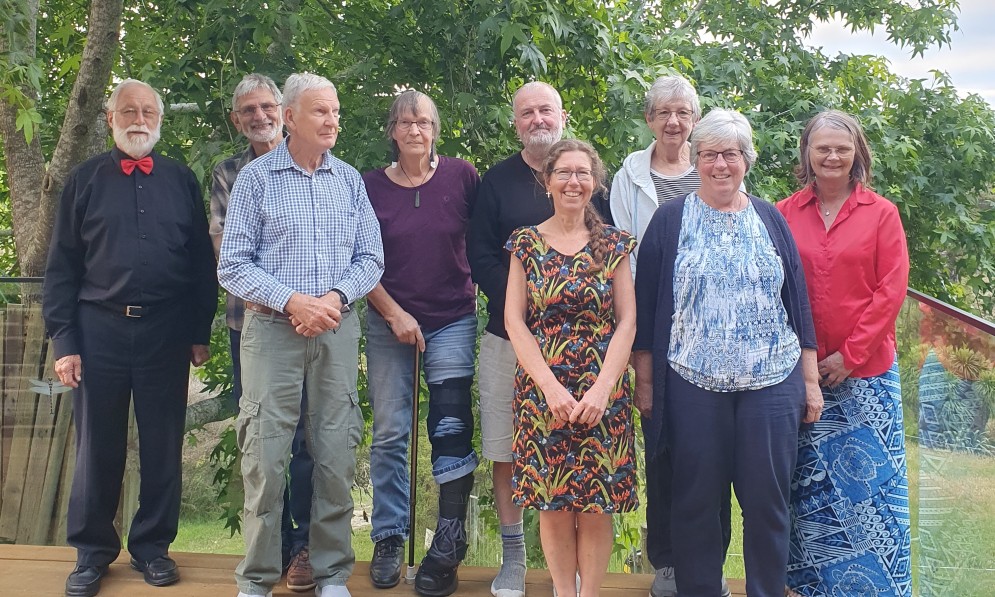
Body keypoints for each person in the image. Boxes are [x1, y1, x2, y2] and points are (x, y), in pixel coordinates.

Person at [632, 109, 822, 597]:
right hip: (692, 384)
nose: (720, 164)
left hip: (772, 383)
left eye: (731, 154)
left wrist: (809, 379)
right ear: (696, 160)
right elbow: (648, 303)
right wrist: (646, 383)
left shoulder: (770, 218)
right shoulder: (670, 221)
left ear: (746, 161)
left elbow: (796, 301)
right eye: (710, 154)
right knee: (695, 503)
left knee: (767, 503)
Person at [43, 79, 217, 597]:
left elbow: (198, 265)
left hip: (167, 331)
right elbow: (62, 268)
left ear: (159, 119)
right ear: (110, 117)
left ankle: (153, 548)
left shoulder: (182, 179)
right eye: (129, 111)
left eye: (148, 111)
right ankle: (93, 553)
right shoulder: (83, 180)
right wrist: (64, 342)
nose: (139, 119)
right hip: (99, 331)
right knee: (99, 446)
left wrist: (197, 330)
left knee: (164, 443)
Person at [218, 72, 384, 597]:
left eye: (335, 111)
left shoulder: (349, 180)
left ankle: (333, 573)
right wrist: (292, 301)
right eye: (320, 112)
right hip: (271, 333)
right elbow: (232, 265)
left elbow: (371, 258)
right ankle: (257, 580)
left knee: (335, 452)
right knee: (265, 456)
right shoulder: (256, 180)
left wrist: (333, 299)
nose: (332, 120)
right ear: (290, 118)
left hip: (335, 332)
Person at [467, 81, 611, 597]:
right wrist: (526, 299)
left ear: (563, 113)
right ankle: (513, 555)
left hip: (587, 352)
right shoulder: (496, 182)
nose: (537, 119)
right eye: (526, 113)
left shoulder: (591, 178)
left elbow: (610, 264)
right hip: (511, 336)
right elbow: (479, 252)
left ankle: (578, 584)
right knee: (509, 450)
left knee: (585, 470)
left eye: (545, 109)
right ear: (516, 123)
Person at [777, 110, 911, 597]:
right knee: (807, 494)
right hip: (798, 377)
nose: (832, 156)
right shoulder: (783, 213)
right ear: (806, 154)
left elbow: (890, 291)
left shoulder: (882, 213)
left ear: (857, 153)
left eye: (842, 148)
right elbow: (778, 291)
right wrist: (809, 362)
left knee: (868, 497)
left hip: (865, 376)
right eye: (822, 148)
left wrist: (850, 356)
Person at [609, 75, 731, 597]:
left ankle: (708, 563)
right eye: (664, 113)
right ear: (649, 119)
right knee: (659, 442)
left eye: (683, 112)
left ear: (696, 119)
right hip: (650, 323)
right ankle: (667, 562)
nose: (674, 122)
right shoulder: (629, 176)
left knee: (712, 450)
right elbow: (619, 254)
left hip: (712, 331)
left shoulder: (718, 167)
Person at [505, 139, 637, 597]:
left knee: (597, 505)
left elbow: (628, 322)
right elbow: (513, 321)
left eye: (583, 173)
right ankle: (564, 592)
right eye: (564, 172)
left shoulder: (614, 245)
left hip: (603, 393)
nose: (573, 182)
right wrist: (550, 388)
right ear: (547, 181)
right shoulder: (525, 242)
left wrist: (601, 390)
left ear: (595, 182)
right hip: (542, 394)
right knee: (553, 503)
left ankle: (590, 594)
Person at [362, 90, 480, 596]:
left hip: (452, 317)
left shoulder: (462, 176)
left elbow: (486, 237)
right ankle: (390, 534)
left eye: (424, 122)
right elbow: (357, 257)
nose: (415, 130)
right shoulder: (368, 186)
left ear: (436, 129)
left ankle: (449, 539)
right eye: (405, 122)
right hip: (389, 320)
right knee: (391, 431)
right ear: (392, 131)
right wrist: (394, 313)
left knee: (450, 427)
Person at [209, 72, 316, 593]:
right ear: (237, 119)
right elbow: (227, 252)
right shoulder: (229, 173)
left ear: (286, 111)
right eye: (248, 110)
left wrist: (307, 307)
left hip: (316, 328)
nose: (259, 116)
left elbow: (329, 248)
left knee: (308, 441)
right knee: (262, 438)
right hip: (250, 328)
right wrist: (286, 301)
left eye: (267, 106)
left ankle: (303, 551)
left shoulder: (319, 165)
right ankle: (267, 552)